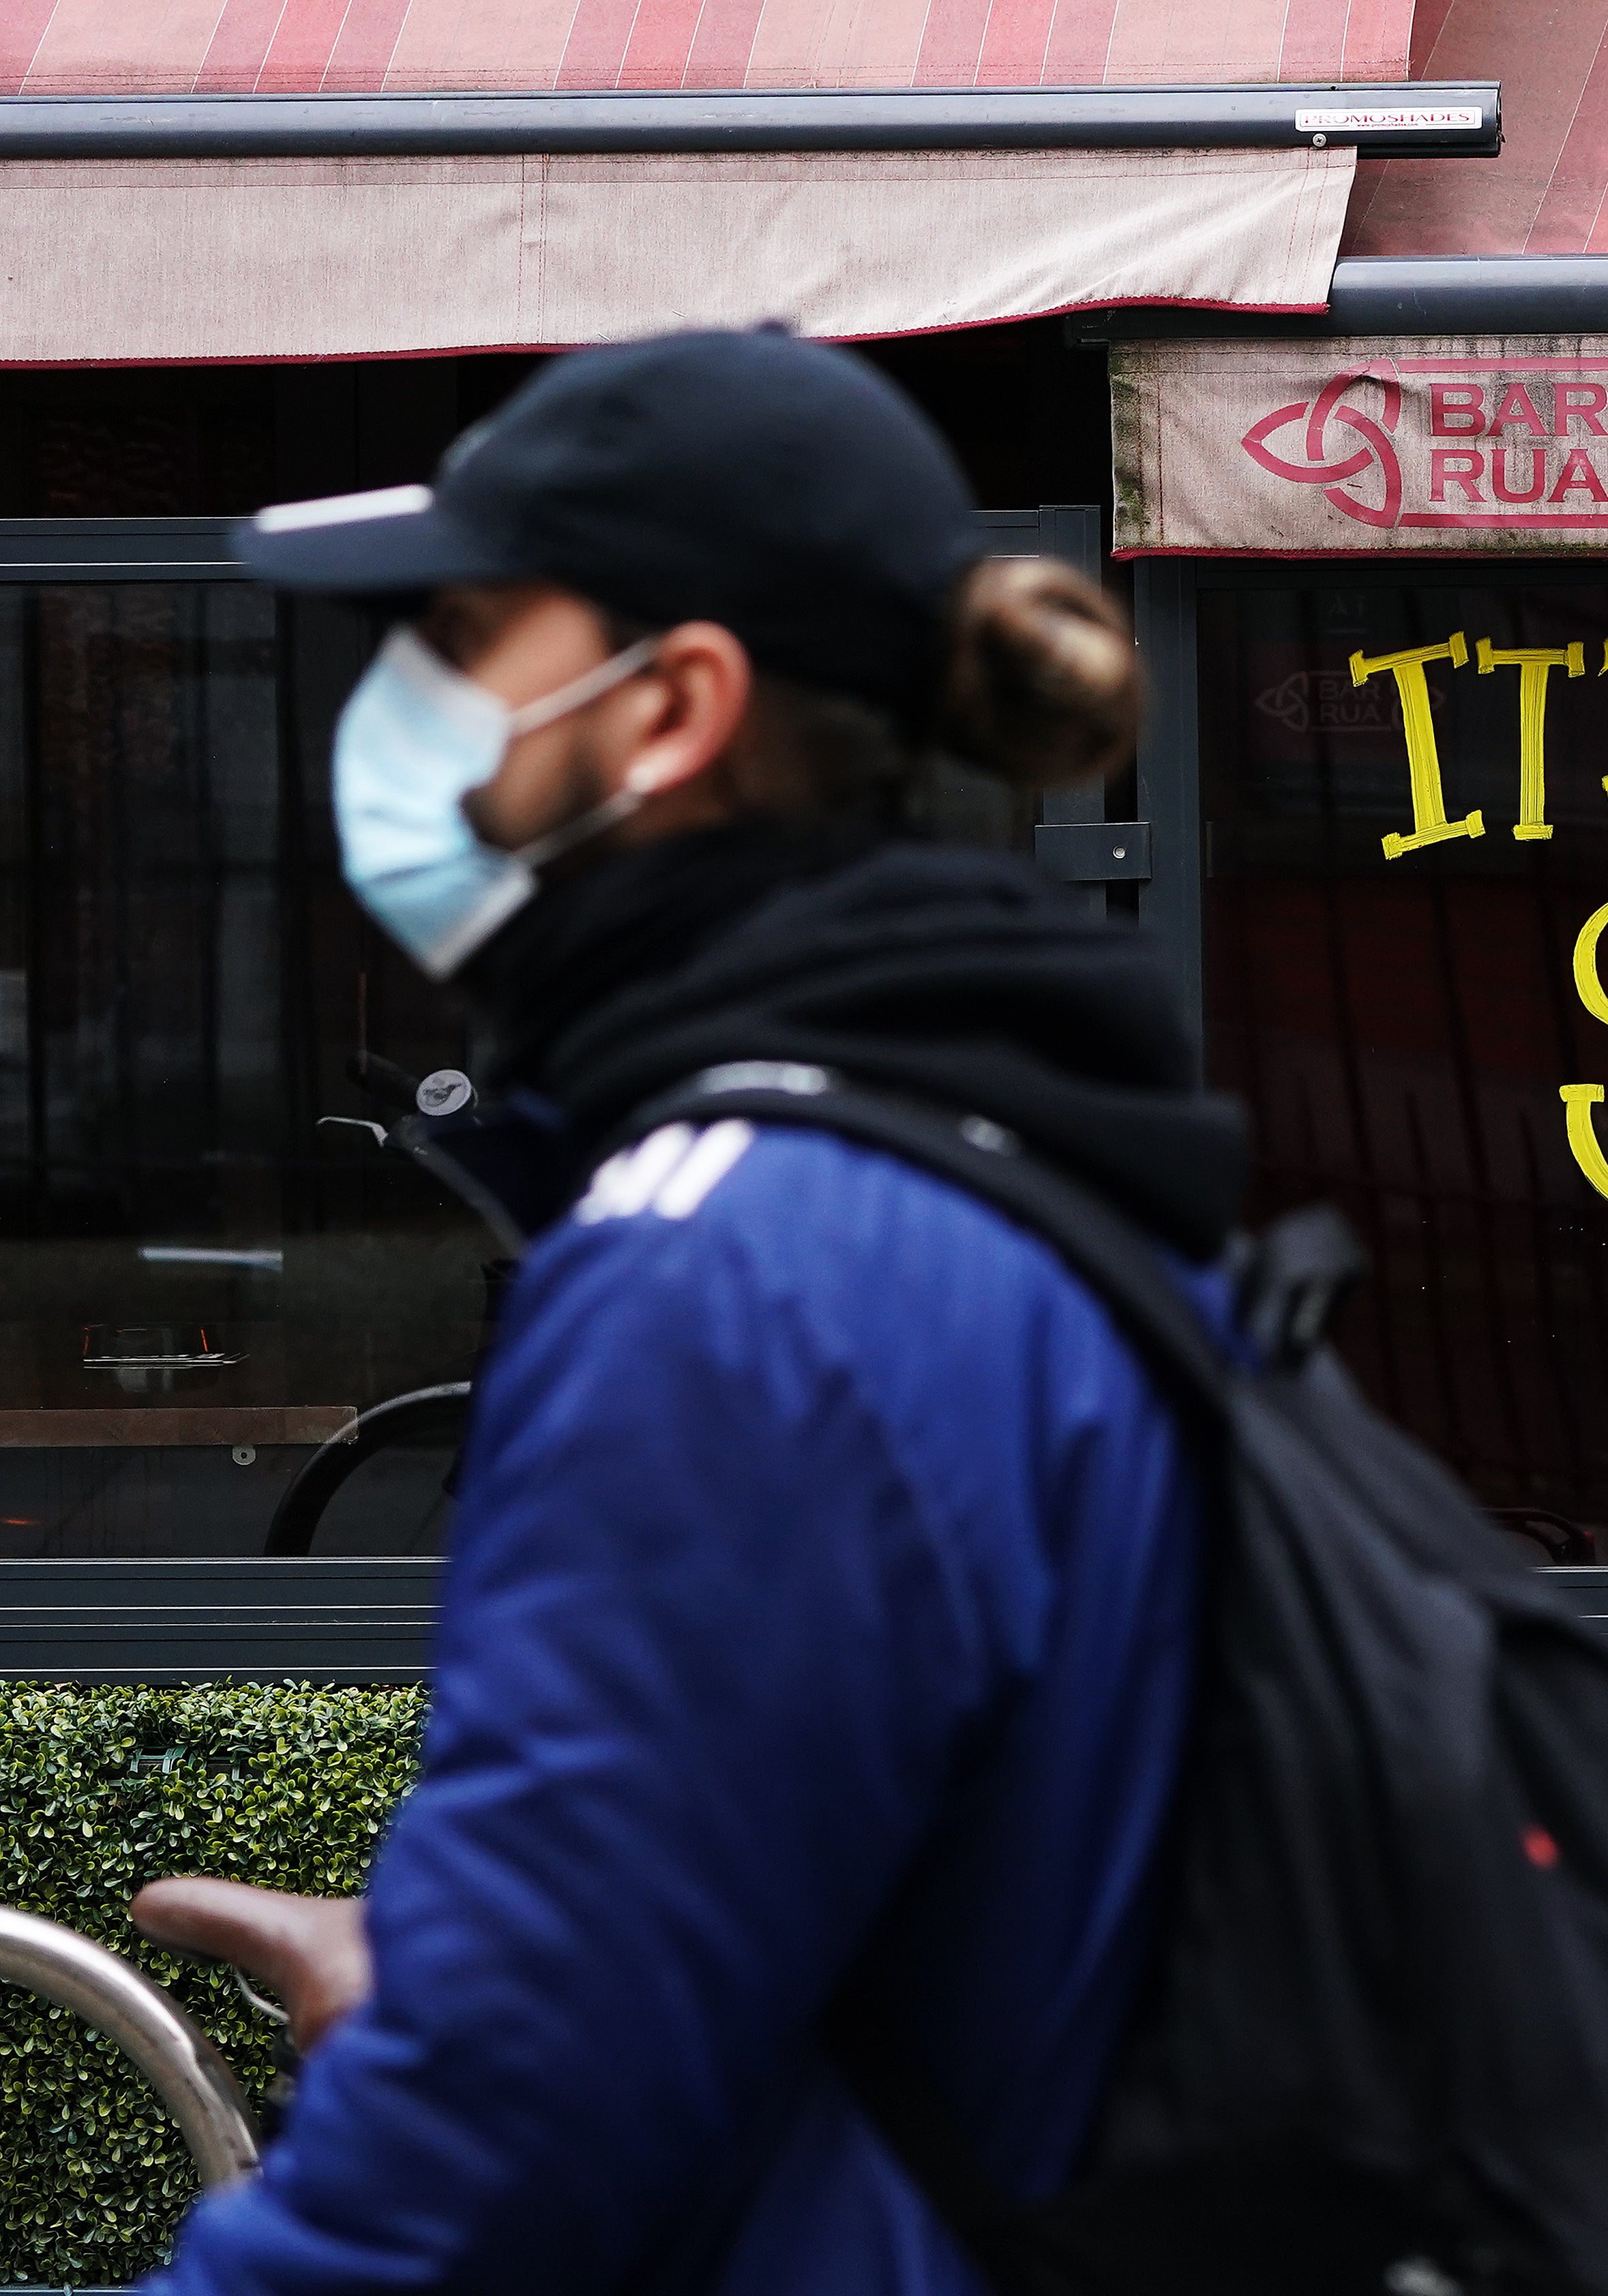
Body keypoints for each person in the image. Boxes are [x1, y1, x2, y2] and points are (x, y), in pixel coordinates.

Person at [126, 327, 1245, 2295]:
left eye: (471, 629)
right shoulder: (1024, 1165)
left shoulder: (729, 1276)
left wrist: (496, 2011)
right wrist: (503, 1949)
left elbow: (487, 2170)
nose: (411, 700)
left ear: (674, 709)